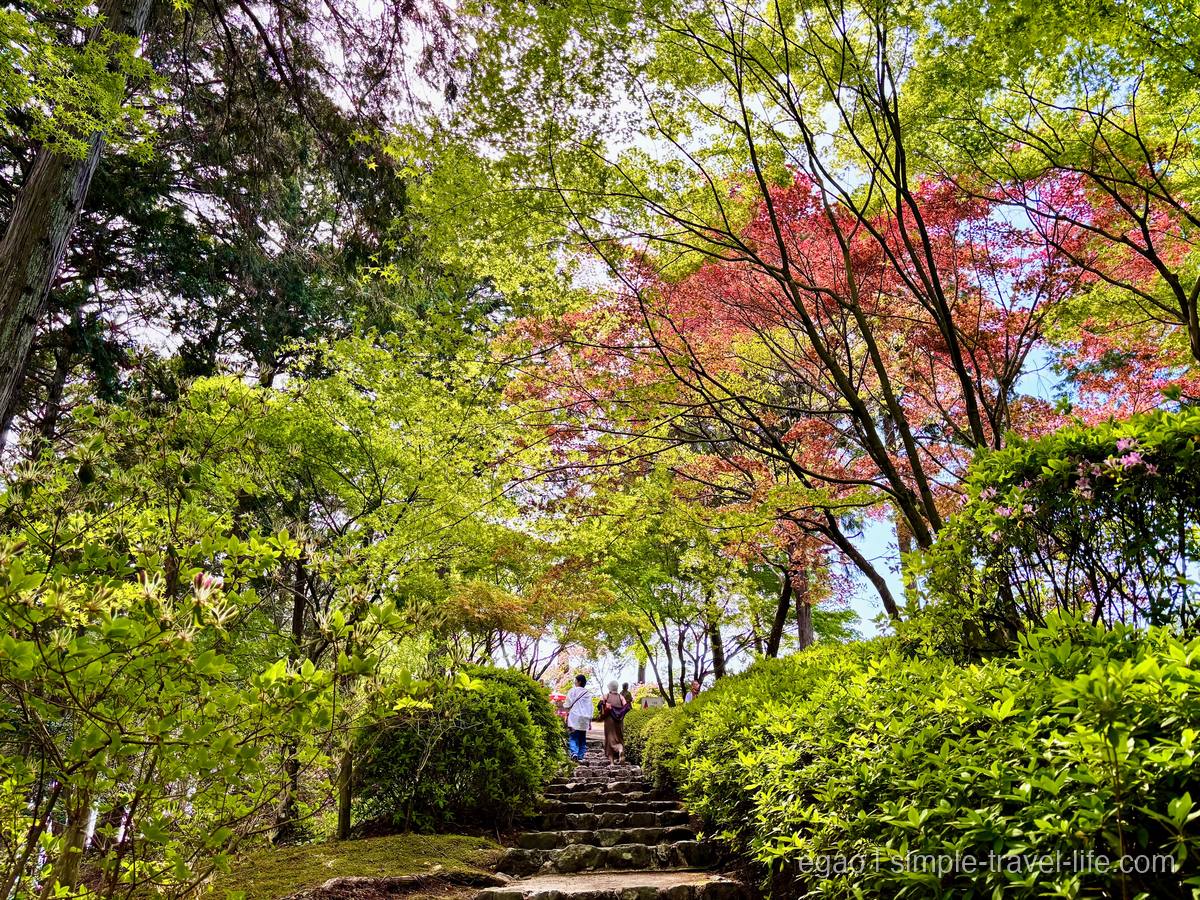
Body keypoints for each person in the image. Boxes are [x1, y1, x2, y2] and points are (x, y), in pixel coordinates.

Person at [564, 674, 592, 762]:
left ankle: (574, 753)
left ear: (579, 682)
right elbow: (590, 707)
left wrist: (566, 708)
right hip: (585, 718)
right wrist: (590, 720)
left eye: (575, 680)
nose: (574, 682)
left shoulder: (573, 691)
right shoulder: (588, 693)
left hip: (575, 717)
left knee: (573, 736)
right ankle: (580, 756)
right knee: (582, 738)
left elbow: (567, 704)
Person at [601, 680, 631, 763]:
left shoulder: (606, 695)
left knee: (610, 738)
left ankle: (612, 763)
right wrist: (619, 713)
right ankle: (621, 749)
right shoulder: (621, 696)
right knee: (619, 737)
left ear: (610, 687)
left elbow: (601, 704)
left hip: (609, 720)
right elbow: (626, 706)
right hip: (619, 721)